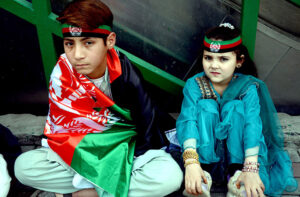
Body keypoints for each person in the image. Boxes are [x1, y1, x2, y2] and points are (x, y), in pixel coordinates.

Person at [14, 0, 183, 196]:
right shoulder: (62, 74)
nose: (77, 55)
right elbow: (59, 128)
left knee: (169, 176)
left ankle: (89, 190)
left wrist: (118, 163)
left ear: (109, 41)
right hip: (80, 147)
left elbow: (146, 126)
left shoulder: (125, 75)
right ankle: (101, 188)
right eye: (69, 44)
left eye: (88, 43)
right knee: (24, 167)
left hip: (124, 146)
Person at [176, 23, 298, 197]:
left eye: (223, 59)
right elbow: (188, 121)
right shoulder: (194, 84)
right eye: (208, 58)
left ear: (239, 61)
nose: (214, 65)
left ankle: (238, 178)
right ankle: (203, 177)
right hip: (204, 158)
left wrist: (250, 169)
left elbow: (252, 125)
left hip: (244, 160)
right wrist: (191, 164)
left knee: (236, 107)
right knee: (205, 107)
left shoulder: (248, 87)